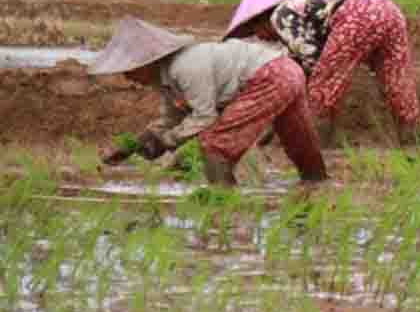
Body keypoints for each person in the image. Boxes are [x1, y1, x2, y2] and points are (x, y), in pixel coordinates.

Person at [93, 17, 327, 187]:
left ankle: (224, 204)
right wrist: (132, 146)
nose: (127, 77)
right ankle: (318, 187)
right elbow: (171, 119)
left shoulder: (185, 68)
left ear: (147, 62)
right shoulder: (165, 80)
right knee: (299, 140)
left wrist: (166, 141)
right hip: (288, 70)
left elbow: (204, 117)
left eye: (130, 70)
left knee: (215, 145)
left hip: (270, 76)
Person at [224, 0, 420, 145]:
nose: (259, 37)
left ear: (261, 19)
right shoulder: (301, 13)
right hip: (391, 11)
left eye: (254, 31)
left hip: (358, 16)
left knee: (322, 91)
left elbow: (312, 60)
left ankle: (319, 152)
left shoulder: (280, 15)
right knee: (400, 88)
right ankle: (416, 147)